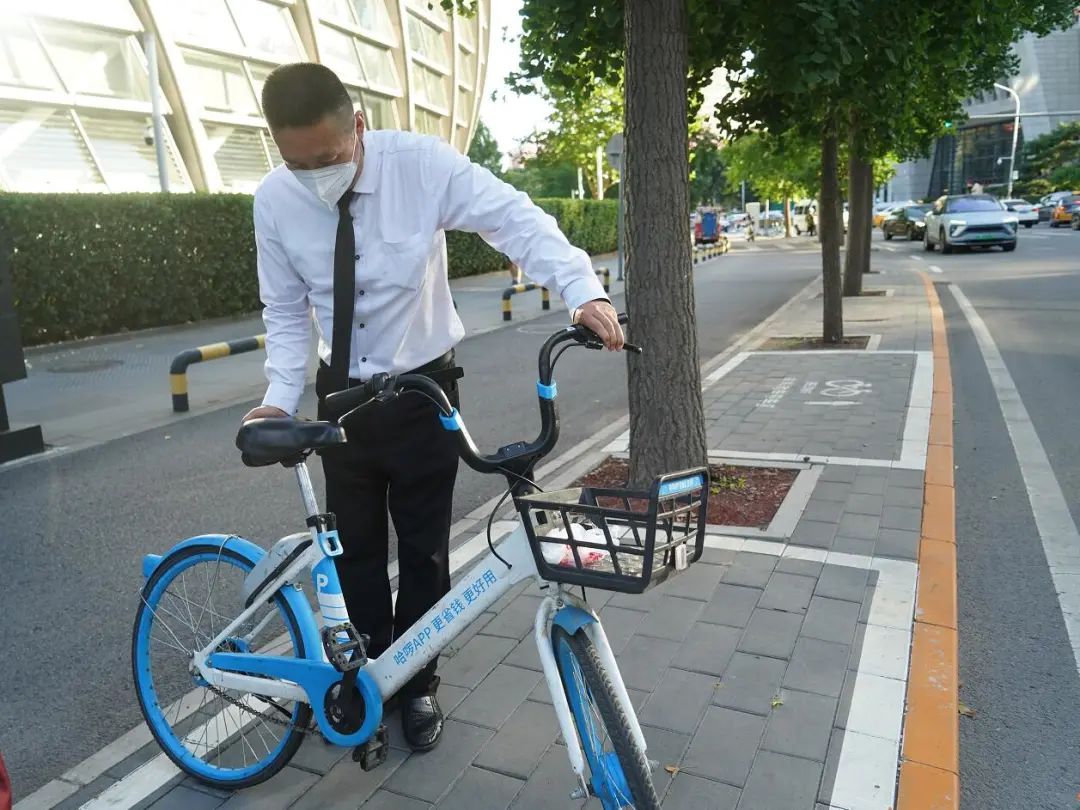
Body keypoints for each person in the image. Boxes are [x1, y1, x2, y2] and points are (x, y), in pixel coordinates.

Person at [240, 63, 623, 752]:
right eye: (298, 163)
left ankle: (417, 684)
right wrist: (277, 401)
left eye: (328, 158)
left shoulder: (420, 166)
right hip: (342, 397)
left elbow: (514, 219)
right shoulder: (274, 200)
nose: (317, 175)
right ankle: (366, 681)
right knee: (353, 551)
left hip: (424, 391)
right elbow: (288, 313)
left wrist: (580, 288)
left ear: (359, 126)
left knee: (424, 551)